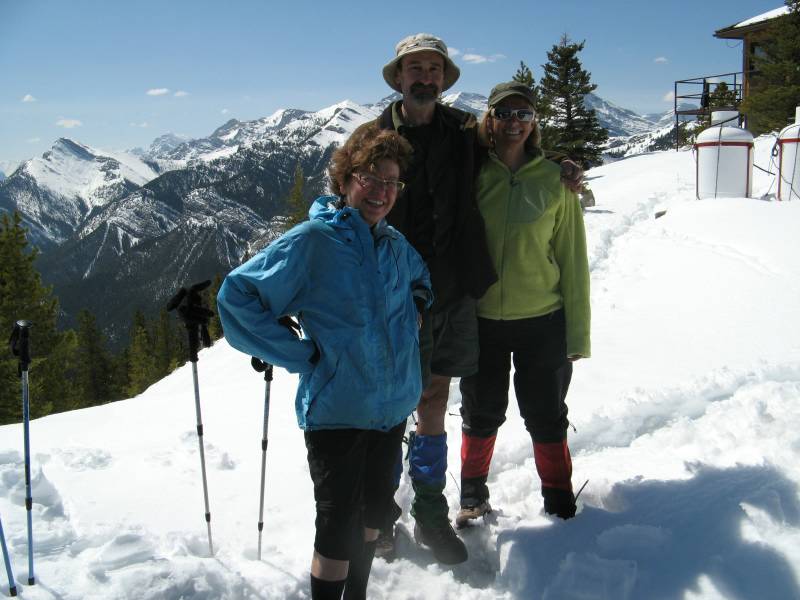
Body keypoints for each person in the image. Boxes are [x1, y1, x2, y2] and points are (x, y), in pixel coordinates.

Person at [370, 33, 583, 565]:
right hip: (392, 298)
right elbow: (345, 197)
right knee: (388, 407)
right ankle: (378, 515)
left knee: (434, 402)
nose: (425, 77)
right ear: (399, 77)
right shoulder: (372, 138)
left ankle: (430, 513)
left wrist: (561, 166)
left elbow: (514, 147)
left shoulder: (464, 133)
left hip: (452, 294)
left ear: (444, 79)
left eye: (434, 69)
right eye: (415, 68)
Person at [216, 125, 432, 600]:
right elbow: (237, 295)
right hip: (338, 410)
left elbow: (421, 278)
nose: (380, 192)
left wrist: (417, 302)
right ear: (346, 180)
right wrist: (298, 353)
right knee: (337, 527)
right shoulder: (314, 241)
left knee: (374, 515)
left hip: (392, 407)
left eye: (391, 182)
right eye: (370, 178)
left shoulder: (393, 244)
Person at [456, 81, 591, 528]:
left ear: (534, 122)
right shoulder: (473, 174)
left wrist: (578, 334)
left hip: (543, 321)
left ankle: (559, 497)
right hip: (482, 318)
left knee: (546, 414)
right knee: (480, 411)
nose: (514, 122)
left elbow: (573, 260)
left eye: (524, 114)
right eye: (505, 113)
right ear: (490, 119)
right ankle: (472, 494)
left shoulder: (555, 180)